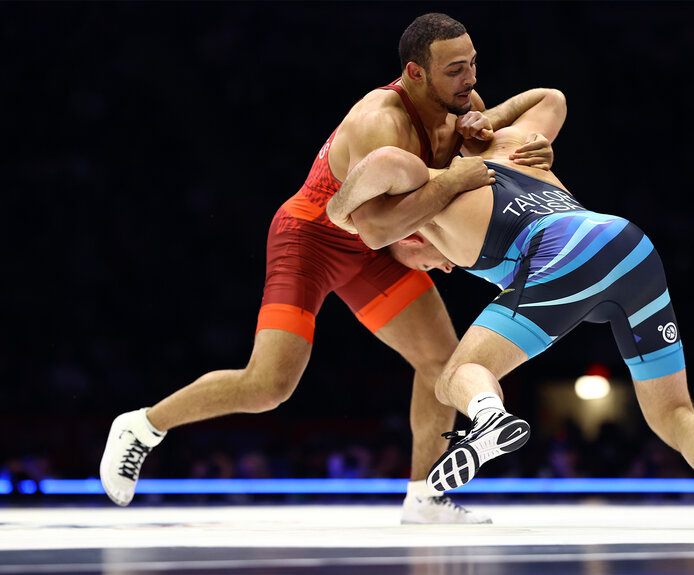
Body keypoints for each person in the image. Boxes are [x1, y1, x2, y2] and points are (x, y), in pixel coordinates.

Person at [99, 13, 555, 525]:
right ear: (415, 72)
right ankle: (142, 426)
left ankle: (424, 496)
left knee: (440, 364)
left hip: (375, 246)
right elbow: (372, 225)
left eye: (472, 64)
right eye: (455, 70)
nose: (470, 79)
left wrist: (517, 143)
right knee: (268, 385)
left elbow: (535, 109)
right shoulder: (377, 122)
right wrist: (432, 217)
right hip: (311, 239)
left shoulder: (461, 104)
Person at [326, 88, 694, 531]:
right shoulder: (512, 145)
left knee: (459, 374)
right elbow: (553, 98)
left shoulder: (424, 179)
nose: (439, 268)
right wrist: (485, 122)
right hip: (628, 245)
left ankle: (488, 417)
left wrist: (336, 210)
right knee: (673, 412)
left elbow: (384, 162)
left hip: (560, 254)